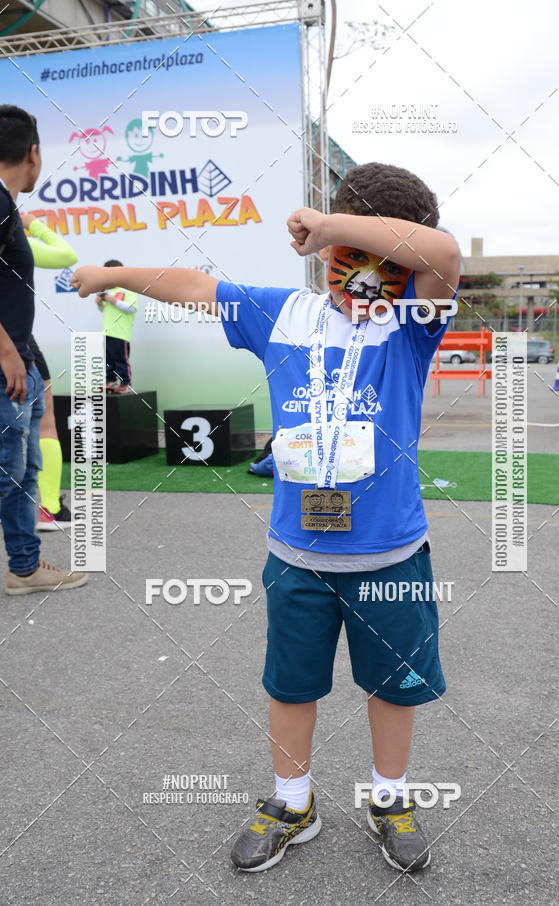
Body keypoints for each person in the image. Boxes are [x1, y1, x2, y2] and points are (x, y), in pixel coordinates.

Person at [71, 162, 460, 873]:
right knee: (291, 682)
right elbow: (195, 288)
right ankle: (292, 800)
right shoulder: (285, 312)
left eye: (388, 261)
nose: (370, 281)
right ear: (329, 259)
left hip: (391, 554)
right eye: (352, 260)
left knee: (392, 685)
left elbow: (444, 257)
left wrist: (332, 226)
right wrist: (112, 276)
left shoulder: (410, 325)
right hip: (299, 555)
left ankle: (391, 797)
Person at [0, 104, 87, 594]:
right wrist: (9, 353)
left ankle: (26, 566)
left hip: (21, 363)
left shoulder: (8, 209)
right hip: (8, 364)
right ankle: (25, 568)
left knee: (23, 468)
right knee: (11, 471)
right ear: (32, 154)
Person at [19, 211, 77, 531]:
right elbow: (66, 255)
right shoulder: (14, 240)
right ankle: (50, 508)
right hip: (17, 339)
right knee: (45, 426)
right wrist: (33, 225)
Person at [95, 259, 138, 393]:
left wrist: (112, 300)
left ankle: (126, 383)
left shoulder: (128, 290)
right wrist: (99, 304)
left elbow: (132, 308)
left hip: (120, 333)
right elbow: (104, 311)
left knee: (121, 359)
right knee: (108, 360)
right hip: (107, 332)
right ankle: (110, 380)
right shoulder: (107, 291)